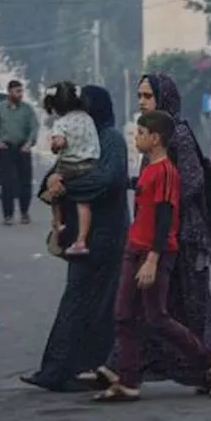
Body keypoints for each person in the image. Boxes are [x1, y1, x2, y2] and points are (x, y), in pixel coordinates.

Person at [81, 73, 211, 395]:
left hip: (184, 236)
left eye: (146, 96)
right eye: (140, 96)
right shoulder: (153, 136)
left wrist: (160, 201)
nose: (141, 101)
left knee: (193, 308)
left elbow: (191, 182)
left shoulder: (177, 135)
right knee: (151, 307)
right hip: (162, 235)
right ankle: (123, 369)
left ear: (163, 99)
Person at [21, 86, 128, 393]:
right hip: (82, 237)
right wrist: (53, 184)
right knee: (84, 302)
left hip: (106, 236)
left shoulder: (111, 140)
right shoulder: (83, 139)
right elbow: (54, 175)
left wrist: (67, 186)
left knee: (89, 303)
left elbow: (107, 180)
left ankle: (65, 370)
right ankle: (70, 369)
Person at [40, 81, 101, 258]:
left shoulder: (61, 123)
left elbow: (58, 143)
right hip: (90, 165)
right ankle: (82, 241)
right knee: (84, 203)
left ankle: (58, 223)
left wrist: (55, 145)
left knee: (52, 186)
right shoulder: (88, 119)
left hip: (69, 166)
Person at [0, 79, 38, 226]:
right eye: (17, 91)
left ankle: (24, 212)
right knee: (7, 183)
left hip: (22, 148)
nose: (20, 94)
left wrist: (29, 143)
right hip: (6, 149)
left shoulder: (27, 109)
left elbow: (33, 127)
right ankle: (8, 214)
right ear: (9, 92)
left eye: (21, 91)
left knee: (25, 182)